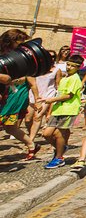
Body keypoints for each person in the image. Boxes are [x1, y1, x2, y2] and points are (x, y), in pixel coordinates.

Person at [0, 29, 41, 160]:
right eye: (20, 42)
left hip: (10, 96)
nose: (22, 47)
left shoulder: (16, 58)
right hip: (8, 95)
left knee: (10, 126)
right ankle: (31, 144)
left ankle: (31, 144)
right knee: (10, 127)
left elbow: (29, 80)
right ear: (11, 41)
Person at [41, 54, 85, 169]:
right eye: (68, 65)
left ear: (78, 67)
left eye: (72, 66)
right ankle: (61, 147)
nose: (69, 67)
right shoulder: (65, 78)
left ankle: (59, 157)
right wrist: (51, 108)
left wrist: (50, 100)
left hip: (68, 109)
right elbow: (59, 93)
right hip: (57, 109)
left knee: (59, 133)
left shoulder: (75, 79)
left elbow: (68, 95)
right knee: (47, 133)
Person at [27, 49, 59, 142]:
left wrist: (55, 99)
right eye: (49, 56)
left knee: (37, 117)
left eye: (53, 56)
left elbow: (57, 85)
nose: (51, 58)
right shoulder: (35, 68)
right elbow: (31, 82)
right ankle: (31, 134)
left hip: (47, 95)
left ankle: (31, 141)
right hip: (34, 95)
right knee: (28, 119)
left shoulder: (56, 70)